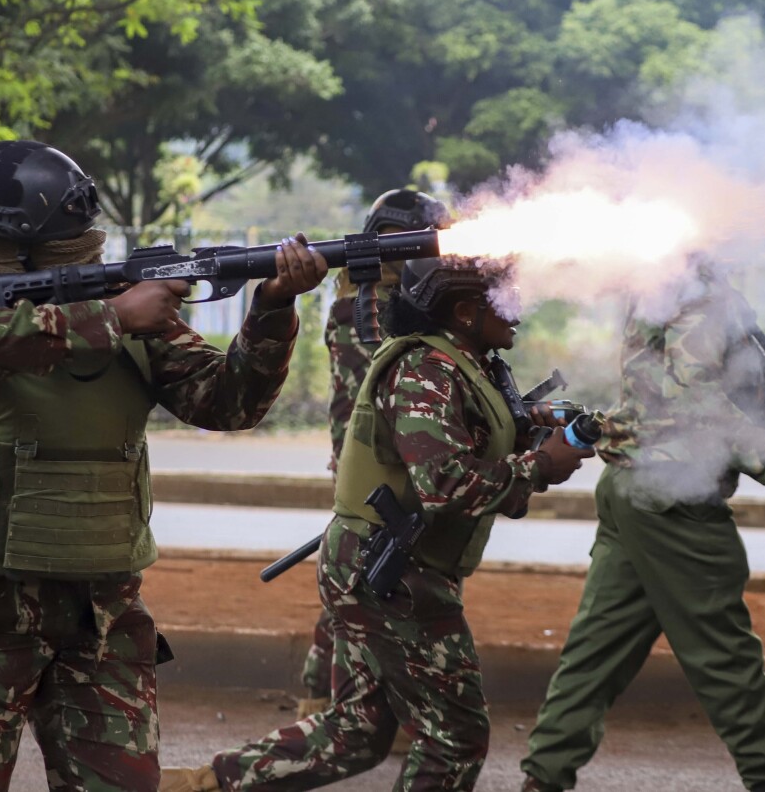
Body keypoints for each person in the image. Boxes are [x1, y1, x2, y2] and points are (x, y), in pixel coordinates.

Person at [0, 139, 326, 791]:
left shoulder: (135, 315)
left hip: (100, 609)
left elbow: (229, 403)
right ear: (19, 251)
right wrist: (113, 315)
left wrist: (272, 308)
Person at [162, 256, 592, 791]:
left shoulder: (469, 364)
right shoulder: (426, 371)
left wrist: (532, 433)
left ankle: (196, 784)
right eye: (504, 301)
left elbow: (467, 449)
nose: (519, 313)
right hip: (391, 573)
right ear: (462, 312)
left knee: (356, 733)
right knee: (455, 739)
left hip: (382, 565)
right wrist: (541, 463)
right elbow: (446, 485)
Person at [518, 272, 765, 792]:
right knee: (725, 653)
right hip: (672, 498)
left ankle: (544, 778)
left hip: (635, 484)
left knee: (595, 654)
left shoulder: (666, 279)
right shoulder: (696, 292)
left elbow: (685, 383)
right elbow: (688, 389)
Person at [297, 189, 452, 721]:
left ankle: (319, 693)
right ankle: (355, 709)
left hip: (367, 453)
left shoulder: (367, 294)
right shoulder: (372, 306)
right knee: (372, 578)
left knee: (356, 574)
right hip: (375, 459)